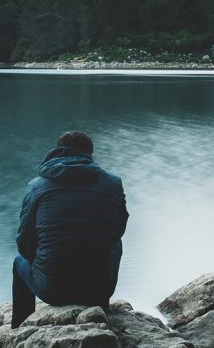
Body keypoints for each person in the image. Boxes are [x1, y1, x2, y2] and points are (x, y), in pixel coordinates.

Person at [12, 131, 129, 328]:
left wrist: (45, 258)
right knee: (114, 243)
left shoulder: (37, 187)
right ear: (90, 155)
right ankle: (100, 311)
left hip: (53, 291)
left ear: (57, 152)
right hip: (99, 289)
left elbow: (24, 245)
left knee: (19, 262)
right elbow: (118, 230)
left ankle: (20, 329)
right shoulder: (113, 184)